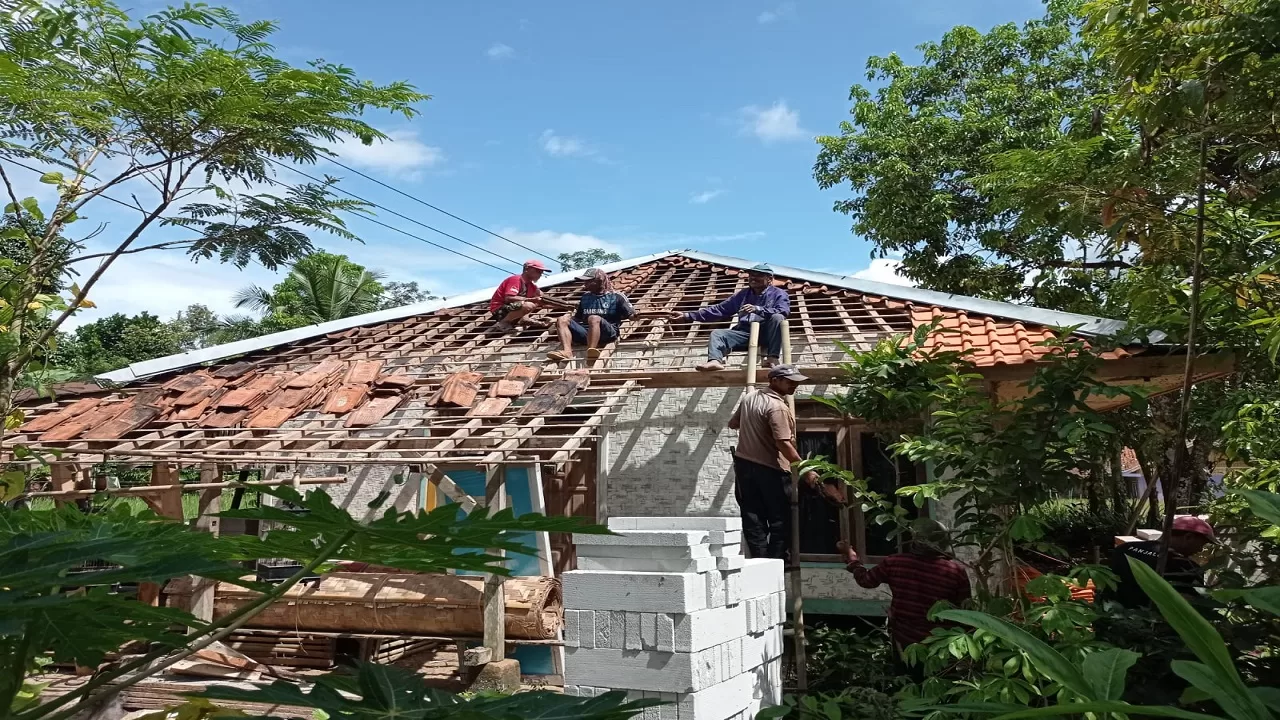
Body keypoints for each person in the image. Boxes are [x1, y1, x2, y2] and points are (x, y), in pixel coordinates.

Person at [838, 518, 971, 679]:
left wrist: (852, 559)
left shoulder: (895, 562)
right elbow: (966, 611)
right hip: (942, 643)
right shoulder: (955, 571)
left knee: (908, 683)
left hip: (905, 641)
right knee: (940, 686)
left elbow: (866, 580)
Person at [727, 364, 833, 559]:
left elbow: (733, 424)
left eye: (796, 382)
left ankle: (760, 565)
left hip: (744, 468)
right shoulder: (777, 407)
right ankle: (776, 564)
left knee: (753, 519)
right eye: (789, 381)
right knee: (779, 522)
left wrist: (752, 429)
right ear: (774, 380)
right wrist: (807, 470)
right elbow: (783, 444)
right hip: (770, 470)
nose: (794, 386)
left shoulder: (750, 398)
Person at [671, 263, 791, 371]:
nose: (753, 278)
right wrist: (687, 315)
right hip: (745, 333)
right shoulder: (743, 295)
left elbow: (783, 311)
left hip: (768, 333)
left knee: (778, 318)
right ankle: (714, 361)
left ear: (769, 279)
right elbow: (719, 309)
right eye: (751, 275)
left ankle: (773, 358)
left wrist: (758, 309)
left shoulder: (779, 294)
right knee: (718, 334)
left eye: (758, 275)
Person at [1104, 515, 1214, 608]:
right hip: (1149, 627)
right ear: (1188, 537)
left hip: (1110, 616)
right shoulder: (1188, 567)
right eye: (1202, 544)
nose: (1200, 550)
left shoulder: (1124, 548)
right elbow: (1193, 605)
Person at [547, 268, 635, 363]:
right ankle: (567, 352)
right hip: (586, 333)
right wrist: (557, 321)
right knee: (562, 319)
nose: (585, 284)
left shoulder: (616, 296)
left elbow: (630, 314)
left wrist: (638, 315)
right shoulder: (585, 297)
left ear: (599, 281)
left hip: (608, 334)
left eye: (589, 281)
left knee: (593, 318)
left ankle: (591, 350)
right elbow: (578, 318)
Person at [489, 260, 549, 331]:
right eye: (538, 271)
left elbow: (544, 299)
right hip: (500, 310)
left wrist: (563, 305)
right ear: (527, 269)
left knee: (537, 300)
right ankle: (503, 323)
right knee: (529, 305)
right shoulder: (516, 279)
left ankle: (524, 319)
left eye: (541, 273)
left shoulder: (532, 286)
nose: (540, 275)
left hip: (512, 310)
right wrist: (531, 299)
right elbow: (509, 298)